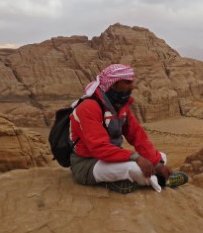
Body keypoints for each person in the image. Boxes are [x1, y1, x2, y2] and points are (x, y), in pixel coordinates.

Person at [69, 63, 188, 193]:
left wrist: (157, 163)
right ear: (113, 84)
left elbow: (137, 135)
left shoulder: (120, 107)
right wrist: (135, 157)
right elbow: (99, 147)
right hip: (88, 163)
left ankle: (125, 180)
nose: (132, 86)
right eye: (127, 82)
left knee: (160, 156)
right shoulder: (89, 107)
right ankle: (162, 181)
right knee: (134, 168)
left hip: (110, 157)